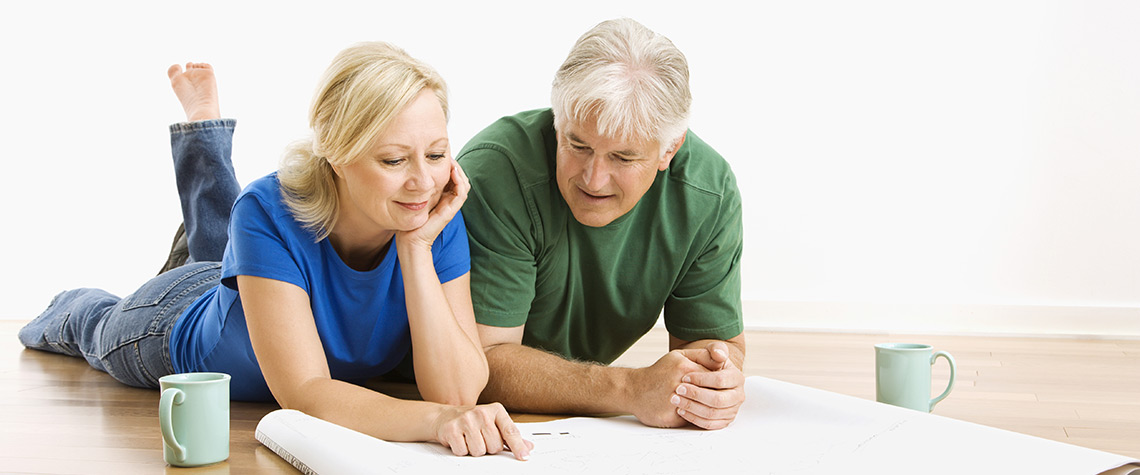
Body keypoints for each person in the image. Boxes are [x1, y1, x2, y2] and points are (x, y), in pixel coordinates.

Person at [19, 42, 531, 460]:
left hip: (252, 289)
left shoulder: (430, 215)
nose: (423, 181)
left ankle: (205, 133)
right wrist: (435, 422)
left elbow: (459, 393)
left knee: (222, 244)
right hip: (171, 323)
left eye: (438, 154)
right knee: (99, 321)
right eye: (395, 159)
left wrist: (417, 248)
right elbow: (304, 393)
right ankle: (73, 304)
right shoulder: (268, 208)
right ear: (335, 152)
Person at [458, 18, 746, 431]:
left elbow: (712, 347)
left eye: (623, 158)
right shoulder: (497, 174)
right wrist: (628, 389)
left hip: (568, 423)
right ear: (558, 122)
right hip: (430, 406)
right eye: (577, 145)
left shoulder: (707, 192)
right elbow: (483, 363)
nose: (592, 179)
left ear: (670, 149)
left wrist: (714, 382)